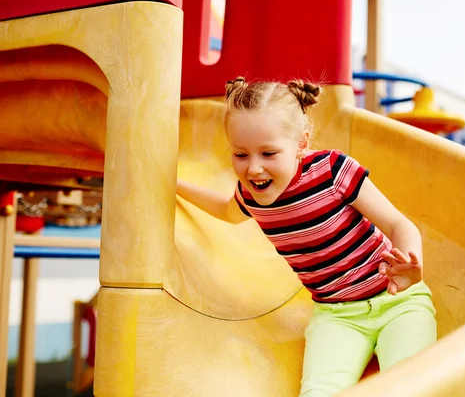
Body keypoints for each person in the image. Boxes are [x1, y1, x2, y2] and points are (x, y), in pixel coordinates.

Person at [176, 76, 437, 396]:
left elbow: (399, 224)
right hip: (337, 315)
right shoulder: (249, 197)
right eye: (240, 155)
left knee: (411, 385)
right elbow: (225, 211)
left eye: (268, 153)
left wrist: (410, 263)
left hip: (399, 302)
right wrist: (172, 183)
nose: (254, 169)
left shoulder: (332, 171)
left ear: (300, 144)